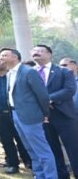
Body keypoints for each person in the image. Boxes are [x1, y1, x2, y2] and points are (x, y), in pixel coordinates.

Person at [0, 47, 57, 179]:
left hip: (31, 117)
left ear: (15, 57)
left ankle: (51, 176)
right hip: (16, 115)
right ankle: (39, 175)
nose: (1, 58)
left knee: (42, 150)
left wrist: (45, 114)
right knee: (30, 149)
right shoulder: (9, 74)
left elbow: (42, 95)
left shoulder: (28, 72)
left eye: (4, 55)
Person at [32, 44, 78, 179]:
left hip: (64, 115)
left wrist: (48, 99)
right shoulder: (30, 73)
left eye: (40, 51)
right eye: (34, 51)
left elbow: (69, 90)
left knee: (73, 147)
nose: (36, 53)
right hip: (42, 117)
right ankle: (62, 175)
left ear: (49, 54)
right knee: (52, 148)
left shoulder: (63, 71)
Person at [0, 55, 30, 174]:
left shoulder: (12, 75)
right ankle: (13, 164)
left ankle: (29, 162)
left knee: (21, 138)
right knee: (6, 140)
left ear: (4, 62)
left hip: (16, 112)